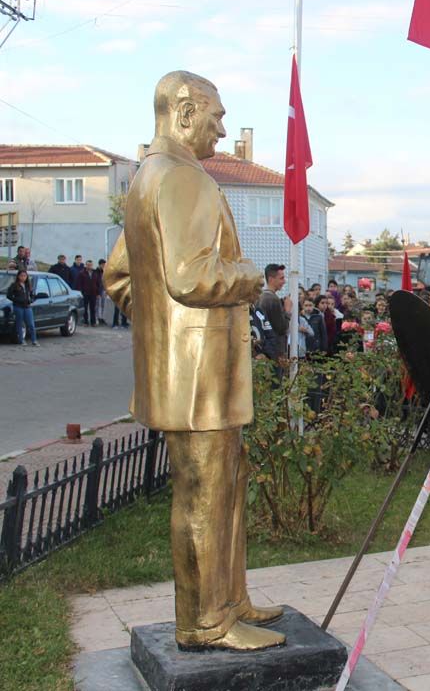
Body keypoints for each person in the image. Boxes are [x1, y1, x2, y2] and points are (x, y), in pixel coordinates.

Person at [103, 70, 284, 650]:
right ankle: (206, 622)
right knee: (205, 492)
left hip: (189, 369)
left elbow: (122, 277)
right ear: (185, 112)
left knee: (224, 486)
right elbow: (190, 276)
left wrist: (163, 329)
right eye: (217, 115)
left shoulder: (146, 177)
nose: (224, 128)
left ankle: (229, 598)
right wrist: (250, 277)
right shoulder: (181, 178)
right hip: (200, 379)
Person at [258, 264, 288, 359]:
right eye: (281, 278)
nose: (284, 281)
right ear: (271, 279)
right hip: (274, 350)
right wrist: (288, 311)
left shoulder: (260, 296)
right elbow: (281, 327)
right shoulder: (272, 299)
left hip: (264, 348)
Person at [6, 269, 38, 345]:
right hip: (18, 307)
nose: (23, 277)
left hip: (27, 307)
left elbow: (32, 295)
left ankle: (34, 340)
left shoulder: (28, 285)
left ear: (27, 277)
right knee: (19, 324)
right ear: (18, 276)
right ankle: (21, 340)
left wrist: (32, 300)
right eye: (21, 276)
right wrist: (16, 300)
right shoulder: (14, 285)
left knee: (31, 324)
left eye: (25, 276)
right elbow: (9, 295)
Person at [77, 260, 100, 326]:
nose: (89, 266)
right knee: (85, 308)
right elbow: (79, 284)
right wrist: (80, 292)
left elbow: (98, 284)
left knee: (93, 308)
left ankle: (93, 322)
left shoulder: (95, 273)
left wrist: (98, 293)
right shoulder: (82, 273)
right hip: (85, 293)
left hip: (93, 293)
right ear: (85, 265)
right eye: (88, 265)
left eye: (91, 265)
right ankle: (85, 321)